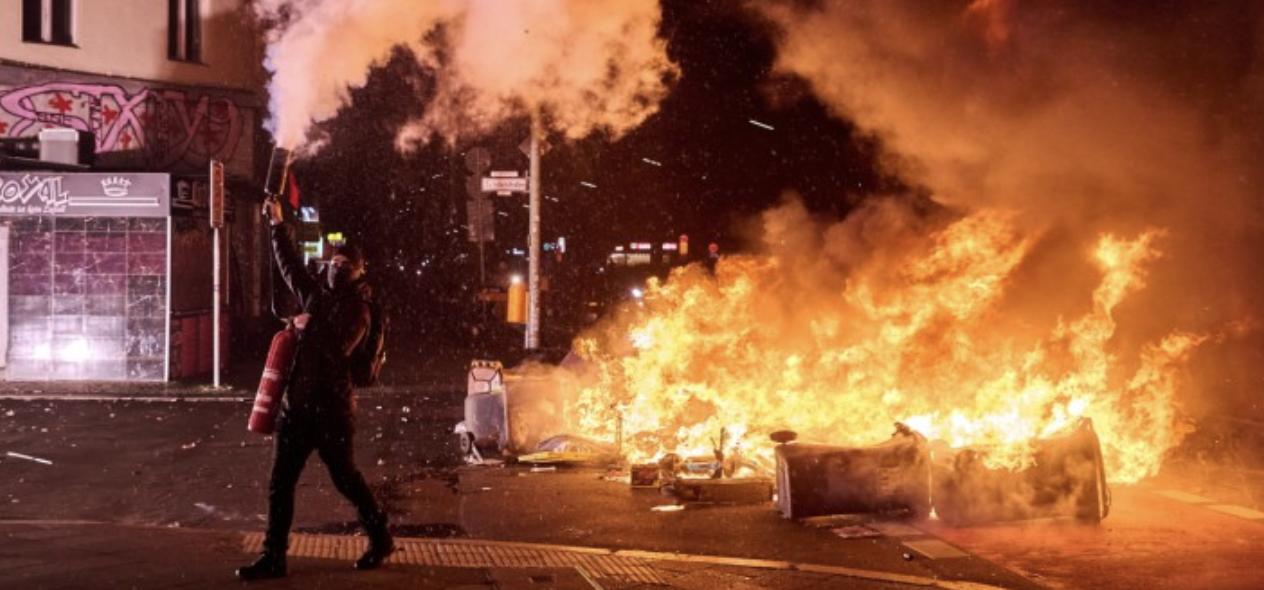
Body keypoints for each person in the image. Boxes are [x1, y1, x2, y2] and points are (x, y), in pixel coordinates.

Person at [237, 196, 394, 580]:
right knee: (280, 484)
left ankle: (380, 537)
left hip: (332, 412)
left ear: (358, 272)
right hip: (298, 407)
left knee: (345, 478)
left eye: (345, 266)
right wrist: (277, 225)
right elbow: (290, 265)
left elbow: (339, 349)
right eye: (333, 263)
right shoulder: (316, 294)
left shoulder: (358, 308)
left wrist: (309, 326)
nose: (336, 269)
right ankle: (274, 556)